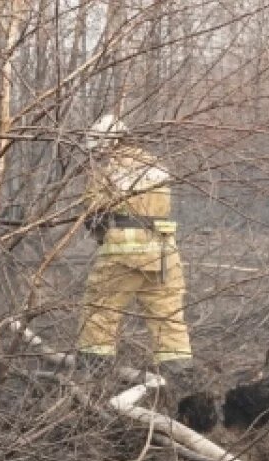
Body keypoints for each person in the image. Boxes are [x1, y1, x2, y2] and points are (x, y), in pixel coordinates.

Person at [75, 115, 194, 384]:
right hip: (164, 253)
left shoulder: (107, 171)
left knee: (100, 312)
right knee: (169, 319)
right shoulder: (156, 166)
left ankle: (93, 380)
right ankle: (182, 383)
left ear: (106, 144)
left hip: (121, 254)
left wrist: (100, 233)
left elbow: (93, 212)